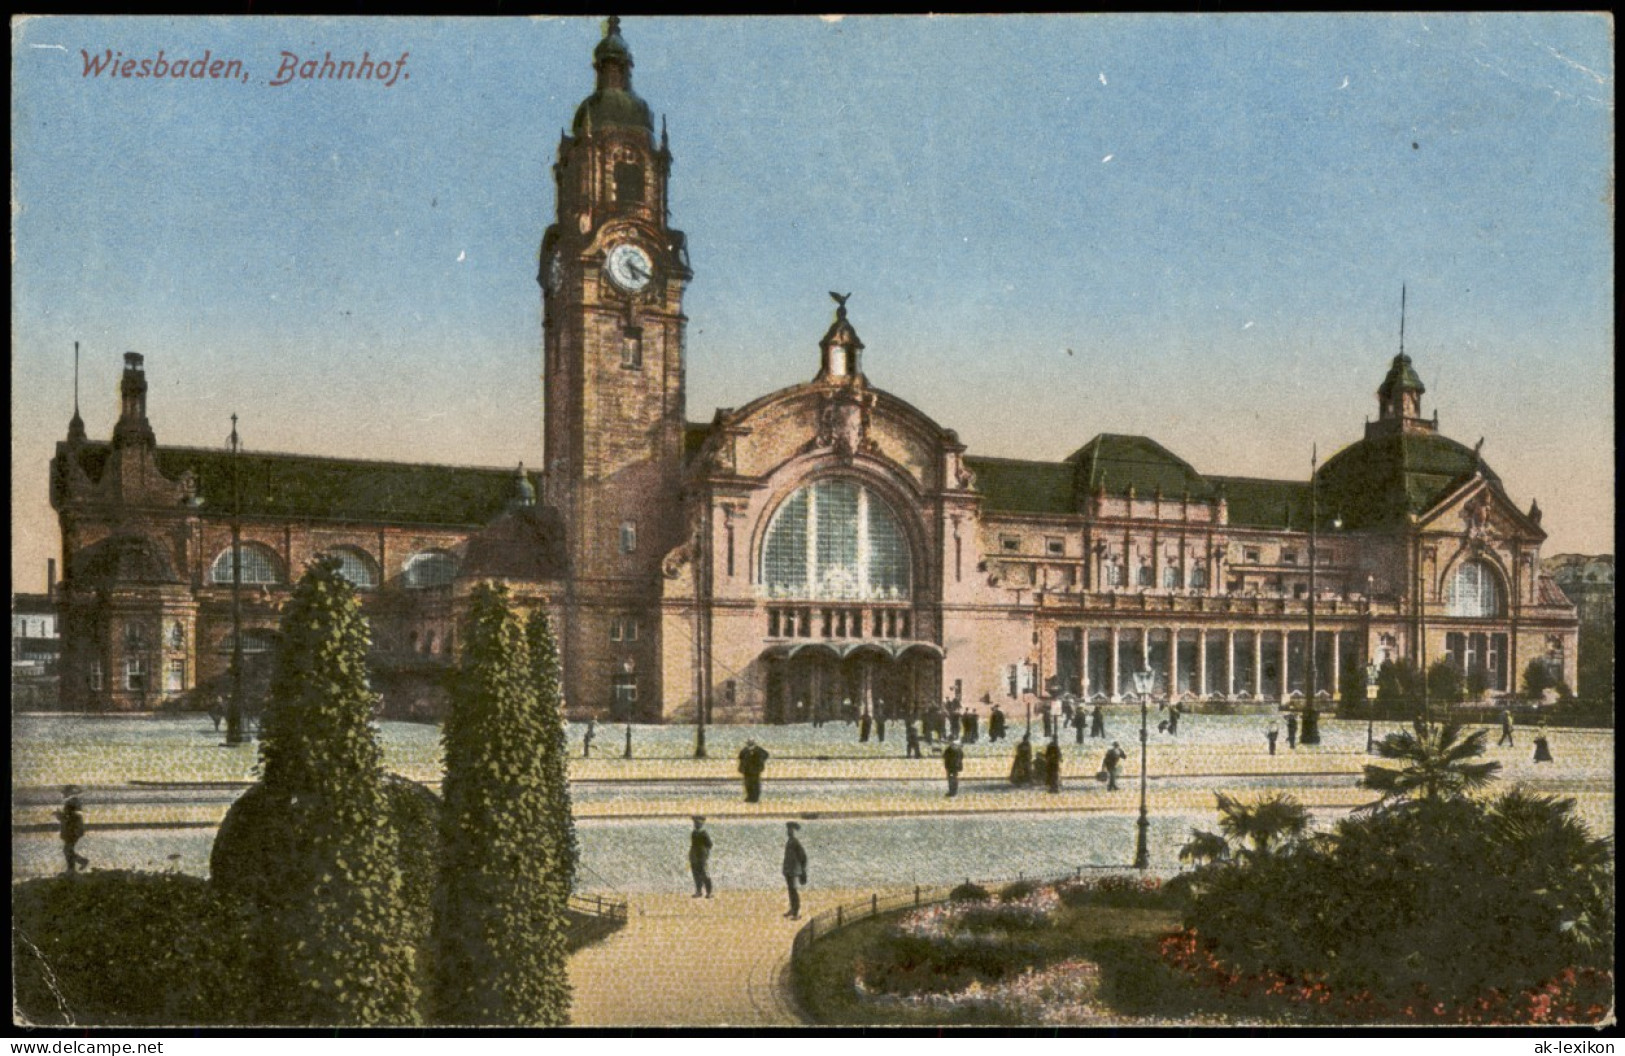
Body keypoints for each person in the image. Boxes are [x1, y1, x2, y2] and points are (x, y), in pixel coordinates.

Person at [56, 787, 89, 874]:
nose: (63, 795)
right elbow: (72, 816)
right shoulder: (74, 802)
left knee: (67, 850)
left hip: (72, 830)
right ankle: (72, 868)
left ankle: (79, 864)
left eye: (64, 792)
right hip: (74, 830)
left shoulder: (70, 802)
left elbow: (68, 817)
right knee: (68, 849)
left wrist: (59, 816)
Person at [782, 821, 809, 919]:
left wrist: (803, 870)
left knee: (793, 890)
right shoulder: (790, 841)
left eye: (790, 830)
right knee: (791, 890)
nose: (788, 832)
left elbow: (803, 857)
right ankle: (792, 909)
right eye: (788, 830)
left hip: (794, 871)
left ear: (793, 831)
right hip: (789, 871)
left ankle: (796, 912)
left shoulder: (795, 842)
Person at [688, 816, 714, 898]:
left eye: (698, 823)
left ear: (702, 824)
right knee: (696, 874)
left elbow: (710, 845)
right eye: (695, 823)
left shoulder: (704, 833)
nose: (696, 824)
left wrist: (706, 854)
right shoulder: (694, 833)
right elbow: (693, 845)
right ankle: (698, 891)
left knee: (704, 873)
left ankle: (709, 893)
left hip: (702, 856)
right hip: (694, 855)